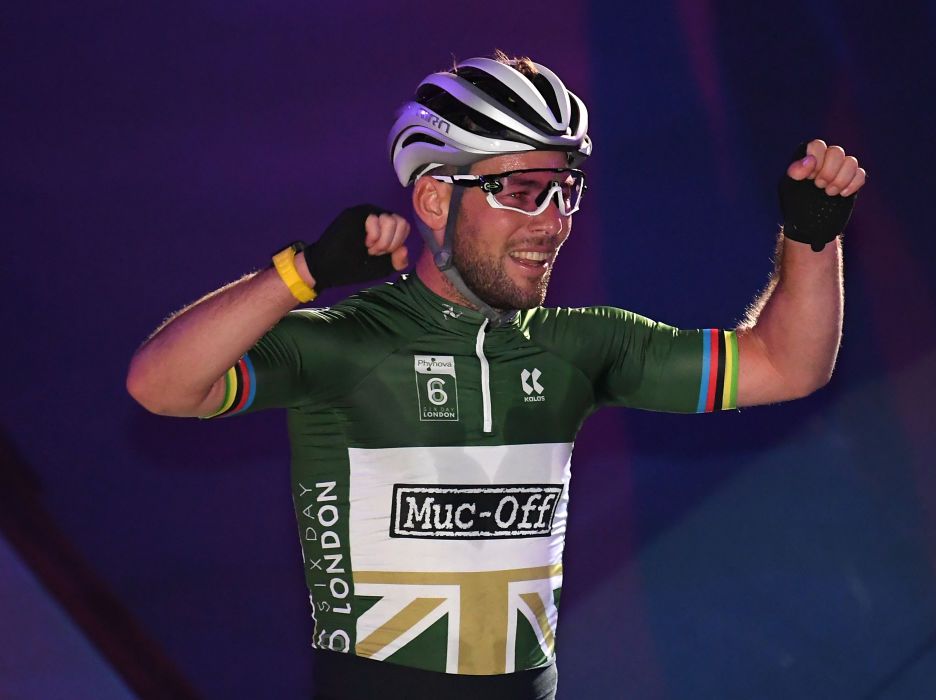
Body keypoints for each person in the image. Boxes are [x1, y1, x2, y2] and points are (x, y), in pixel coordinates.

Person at [126, 50, 866, 700]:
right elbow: (161, 386)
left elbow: (787, 365)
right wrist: (302, 273)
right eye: (521, 190)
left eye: (564, 188)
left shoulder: (581, 344)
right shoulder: (348, 343)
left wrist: (811, 235)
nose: (551, 220)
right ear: (433, 198)